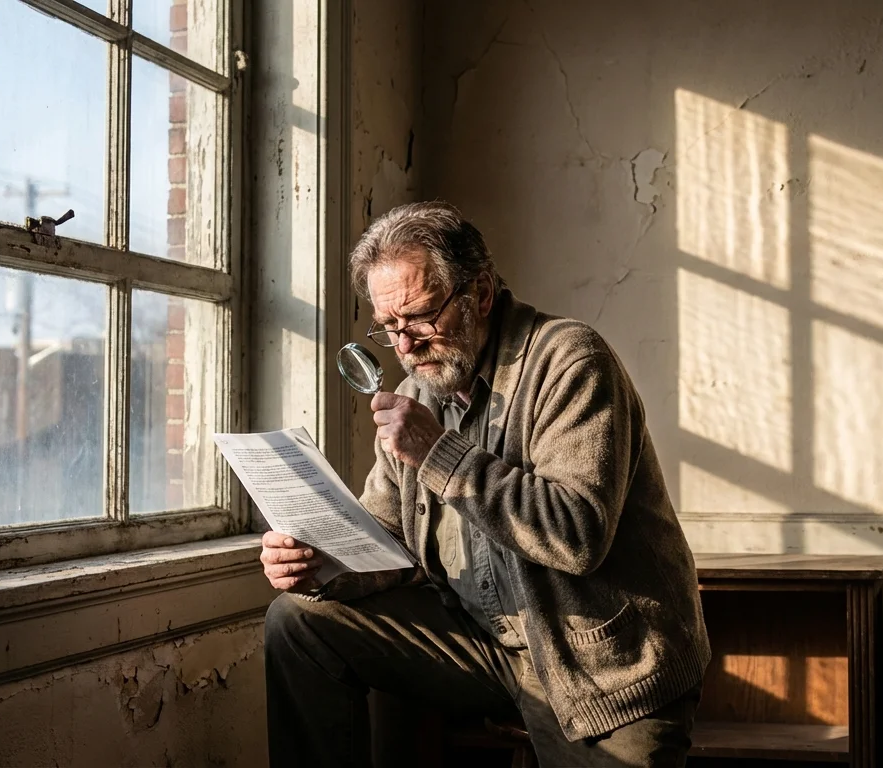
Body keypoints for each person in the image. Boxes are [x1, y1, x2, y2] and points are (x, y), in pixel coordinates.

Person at [260, 201, 710, 766]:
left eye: (421, 316)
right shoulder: (420, 389)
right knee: (299, 622)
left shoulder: (572, 360)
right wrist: (320, 563)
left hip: (601, 666)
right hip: (486, 645)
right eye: (388, 327)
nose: (406, 345)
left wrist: (437, 452)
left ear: (480, 292)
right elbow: (389, 540)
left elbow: (577, 536)